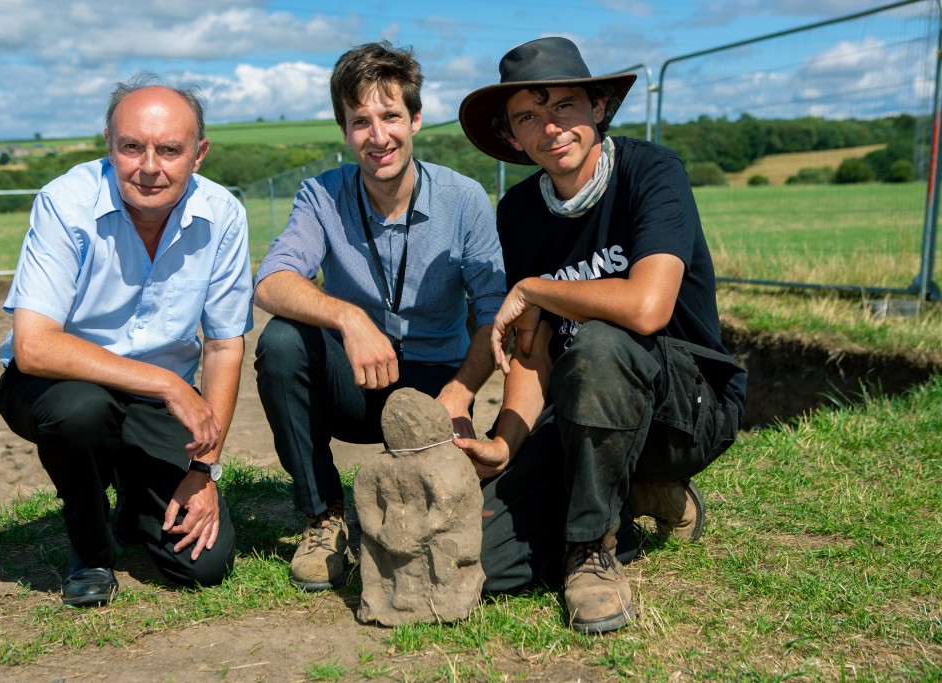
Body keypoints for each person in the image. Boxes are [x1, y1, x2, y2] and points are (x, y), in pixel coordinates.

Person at [457, 37, 747, 633]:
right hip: (584, 413)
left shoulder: (652, 172)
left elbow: (646, 307)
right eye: (528, 117)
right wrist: (507, 442)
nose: (551, 127)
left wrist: (536, 288)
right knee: (488, 560)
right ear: (512, 138)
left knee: (599, 342)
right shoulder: (517, 213)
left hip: (687, 409)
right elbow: (533, 352)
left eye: (565, 105)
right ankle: (642, 495)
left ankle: (594, 549)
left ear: (598, 109)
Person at [253, 41, 506, 591]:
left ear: (415, 119)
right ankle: (323, 519)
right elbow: (271, 281)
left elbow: (493, 314)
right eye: (360, 121)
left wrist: (461, 394)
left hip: (436, 393)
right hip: (358, 377)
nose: (378, 135)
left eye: (390, 115)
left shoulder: (464, 200)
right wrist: (350, 319)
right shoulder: (321, 195)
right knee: (281, 343)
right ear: (344, 132)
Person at [0, 74, 254, 607]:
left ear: (198, 154)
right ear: (109, 146)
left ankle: (136, 498)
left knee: (203, 564)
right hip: (54, 385)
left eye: (170, 149)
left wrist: (204, 470)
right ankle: (90, 551)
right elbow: (35, 346)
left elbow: (225, 345)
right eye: (132, 147)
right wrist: (168, 383)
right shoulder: (65, 202)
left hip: (152, 400)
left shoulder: (223, 215)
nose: (150, 167)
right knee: (79, 411)